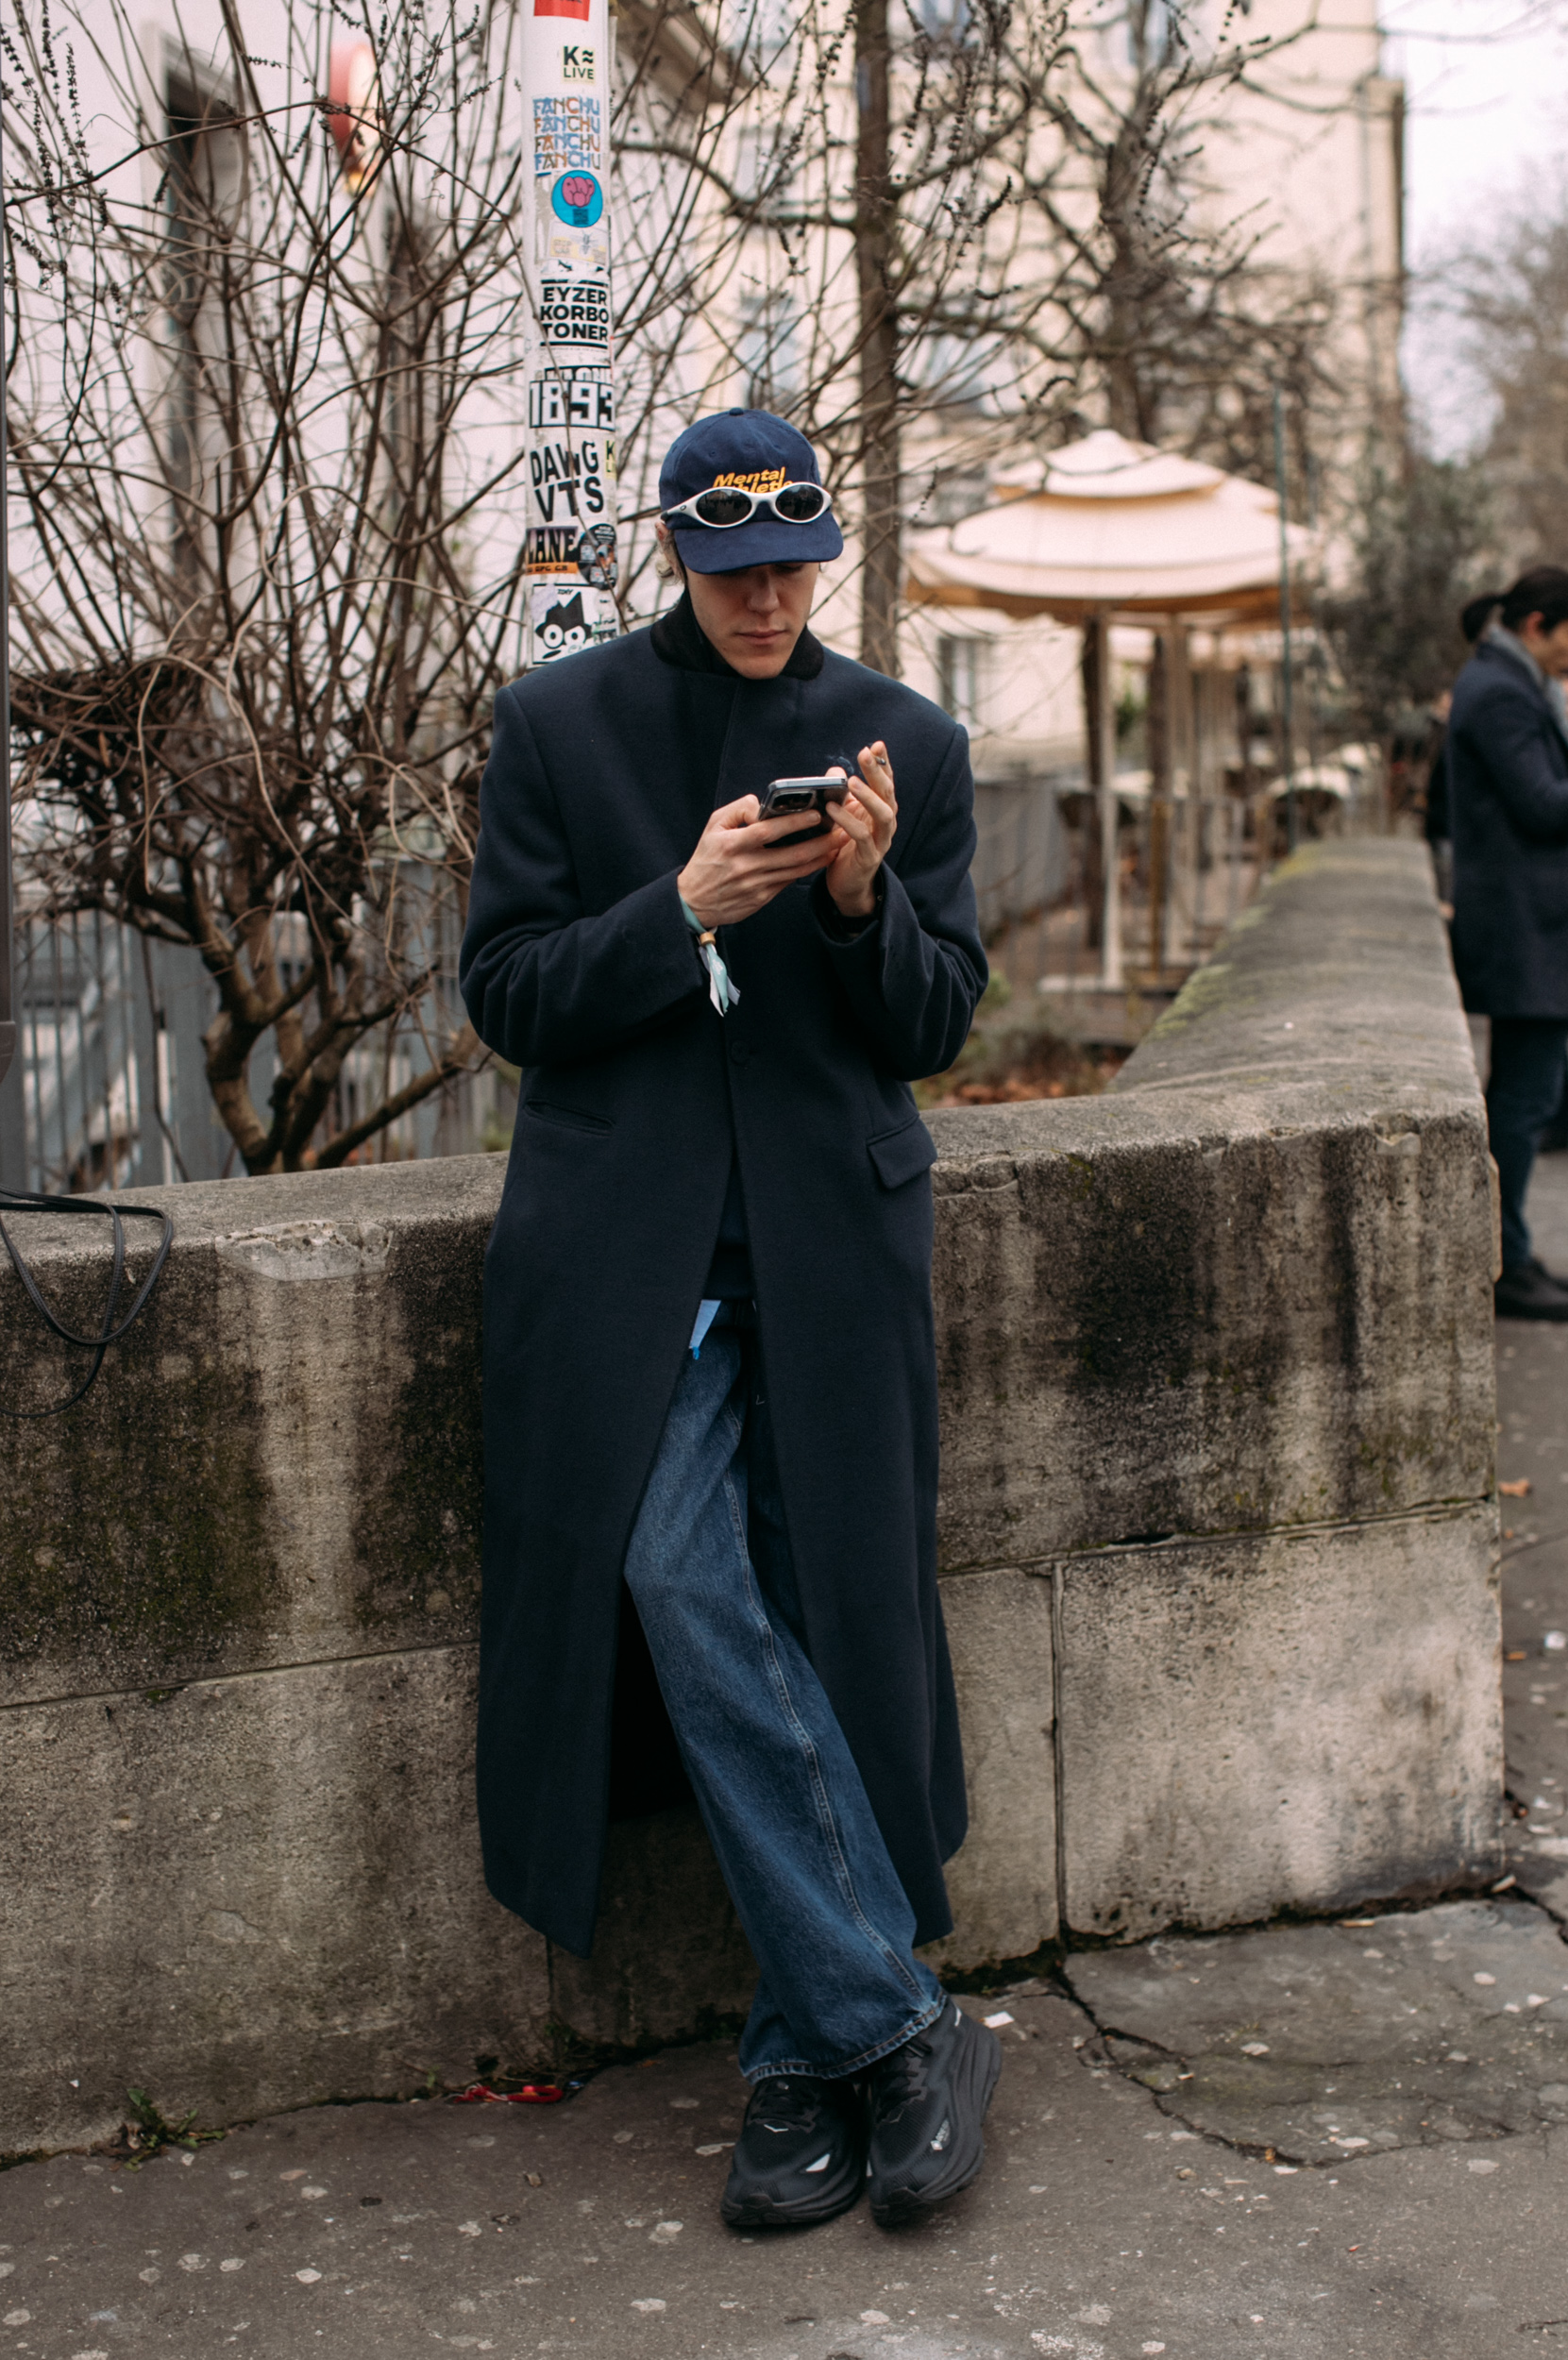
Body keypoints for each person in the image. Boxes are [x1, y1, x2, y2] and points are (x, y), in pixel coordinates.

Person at [458, 408, 997, 2232]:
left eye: (792, 568)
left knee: (836, 1612)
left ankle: (795, 2063)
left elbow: (933, 1027)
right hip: (635, 1270)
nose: (765, 599)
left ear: (824, 554)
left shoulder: (907, 740)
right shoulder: (558, 727)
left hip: (834, 1257)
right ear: (672, 553)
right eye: (730, 569)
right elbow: (509, 997)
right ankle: (901, 2023)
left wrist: (854, 904)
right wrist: (674, 908)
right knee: (681, 1582)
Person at [1447, 566, 1568, 1318]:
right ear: (1536, 625)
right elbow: (1541, 806)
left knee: (1531, 1096)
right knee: (1523, 1102)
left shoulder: (1506, 681)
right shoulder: (1497, 690)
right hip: (1523, 931)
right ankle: (1504, 1264)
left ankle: (1515, 1253)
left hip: (1533, 926)